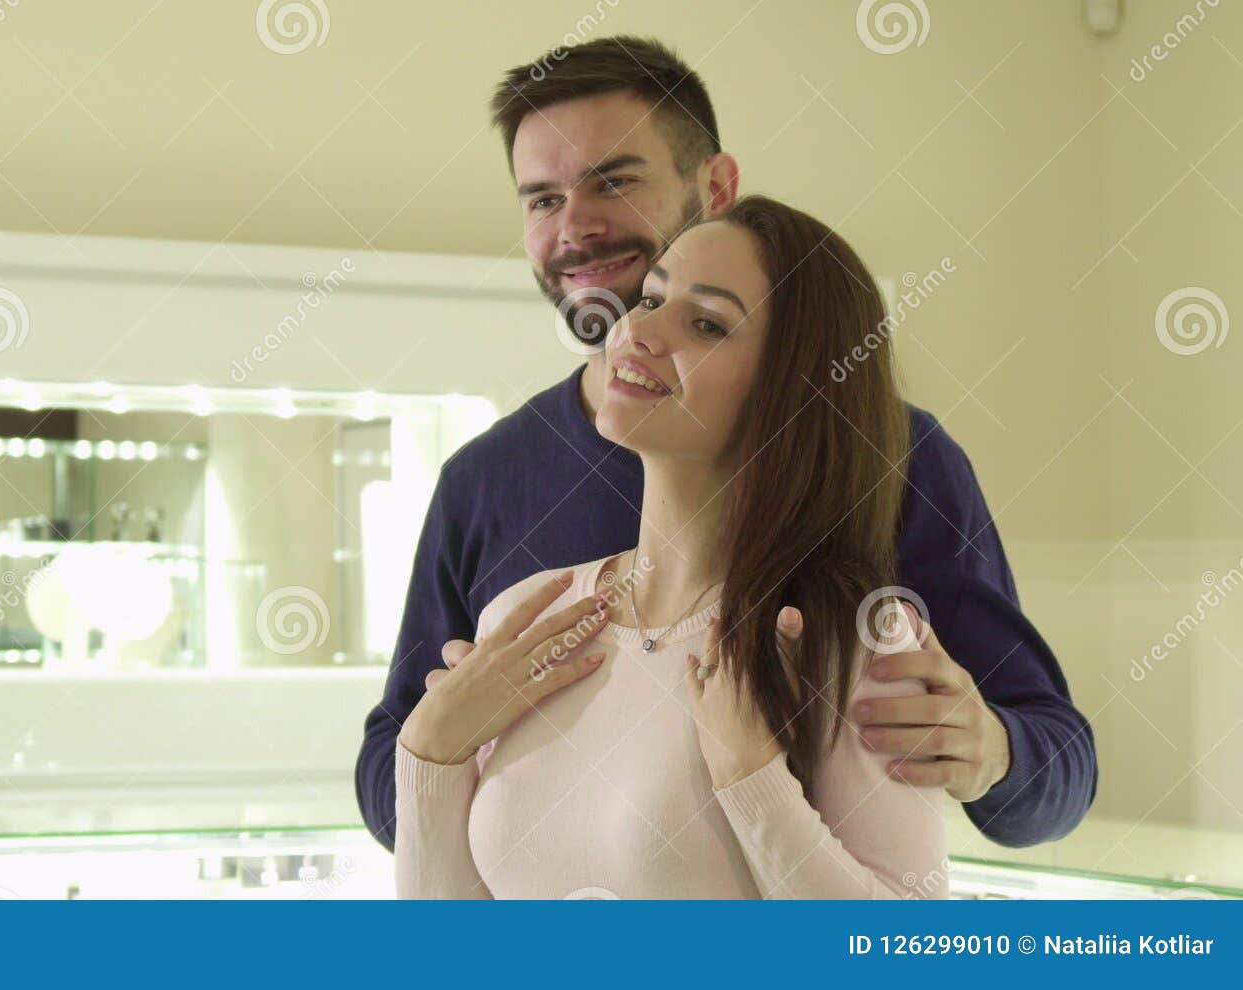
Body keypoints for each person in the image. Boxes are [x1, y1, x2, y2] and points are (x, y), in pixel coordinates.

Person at [356, 35, 1096, 854]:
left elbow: (1054, 774)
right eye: (542, 200)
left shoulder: (886, 454)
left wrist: (989, 750)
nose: (576, 227)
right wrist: (461, 739)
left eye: (614, 180)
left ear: (716, 186)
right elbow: (391, 782)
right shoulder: (485, 481)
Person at [396, 198, 945, 897]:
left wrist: (753, 779)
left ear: (793, 391)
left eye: (706, 323)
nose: (638, 330)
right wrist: (428, 756)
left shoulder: (855, 644)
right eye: (652, 297)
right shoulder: (525, 618)